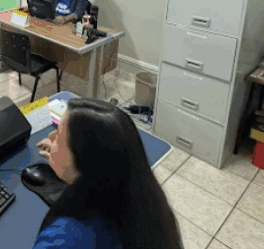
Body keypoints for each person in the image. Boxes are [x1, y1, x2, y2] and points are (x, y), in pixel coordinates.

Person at [32, 99, 183, 249]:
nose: (51, 136)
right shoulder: (146, 206)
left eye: (58, 134)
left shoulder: (61, 238)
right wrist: (64, 165)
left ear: (84, 162)